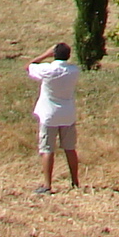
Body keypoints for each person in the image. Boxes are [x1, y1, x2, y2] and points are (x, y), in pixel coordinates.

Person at [26, 41, 82, 193]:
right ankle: (75, 182)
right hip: (68, 114)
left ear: (54, 55)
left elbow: (30, 66)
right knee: (70, 149)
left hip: (49, 114)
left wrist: (45, 54)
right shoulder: (73, 70)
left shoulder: (47, 70)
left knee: (47, 149)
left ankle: (47, 185)